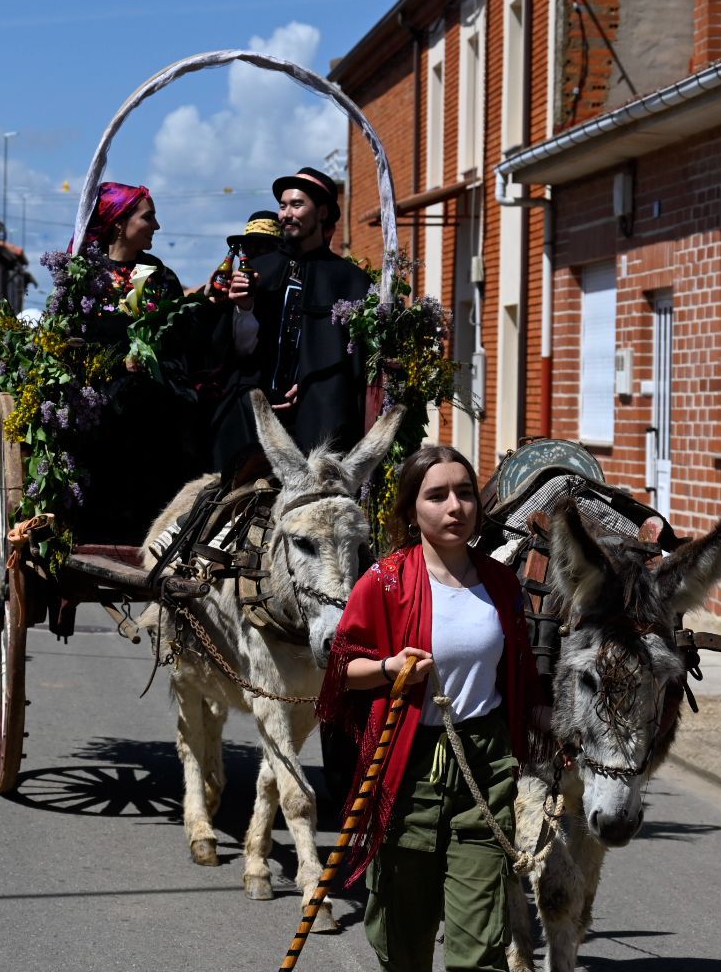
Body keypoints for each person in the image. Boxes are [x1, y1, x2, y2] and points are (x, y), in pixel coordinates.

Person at [317, 445, 547, 972]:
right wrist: (388, 669)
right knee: (405, 943)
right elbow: (341, 670)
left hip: (484, 768)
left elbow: (522, 681)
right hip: (407, 767)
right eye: (437, 495)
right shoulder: (386, 581)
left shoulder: (501, 584)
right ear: (411, 509)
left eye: (465, 493)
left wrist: (559, 739)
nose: (454, 507)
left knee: (480, 943)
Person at [209, 167, 370, 474]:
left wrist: (311, 383)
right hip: (256, 410)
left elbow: (352, 362)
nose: (286, 214)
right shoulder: (258, 270)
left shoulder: (349, 280)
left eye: (297, 205)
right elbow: (240, 353)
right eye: (283, 205)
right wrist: (243, 308)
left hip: (317, 414)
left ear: (322, 213)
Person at [71, 181, 199, 543]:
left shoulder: (157, 276)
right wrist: (116, 365)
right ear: (118, 224)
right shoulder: (84, 278)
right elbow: (67, 345)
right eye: (148, 217)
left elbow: (183, 338)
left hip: (155, 402)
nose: (156, 226)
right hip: (99, 402)